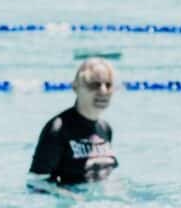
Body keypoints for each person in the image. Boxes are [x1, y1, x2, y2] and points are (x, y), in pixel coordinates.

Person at [28, 58, 118, 188]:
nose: (103, 91)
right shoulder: (58, 129)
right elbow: (36, 182)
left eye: (108, 85)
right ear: (76, 88)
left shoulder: (105, 129)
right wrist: (69, 197)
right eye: (94, 84)